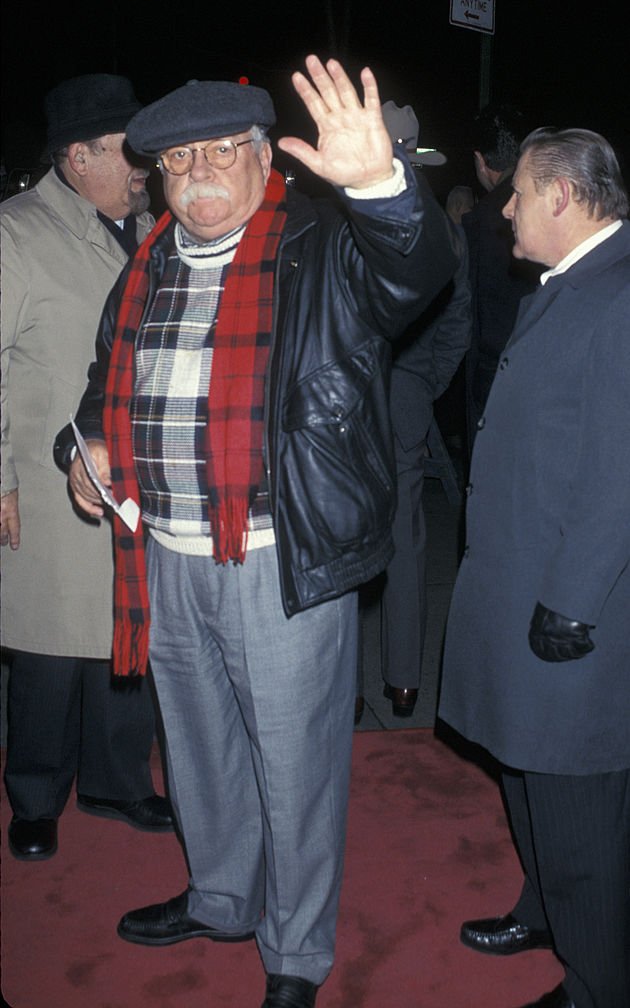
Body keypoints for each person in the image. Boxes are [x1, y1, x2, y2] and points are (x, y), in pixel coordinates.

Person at [55, 56, 457, 1007]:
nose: (195, 174)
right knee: (196, 748)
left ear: (260, 158)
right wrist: (87, 446)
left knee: (294, 761)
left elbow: (418, 271)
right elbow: (104, 379)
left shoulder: (321, 245)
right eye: (175, 158)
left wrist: (382, 188)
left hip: (279, 557)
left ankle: (296, 949)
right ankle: (224, 894)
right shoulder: (145, 262)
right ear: (154, 176)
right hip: (166, 550)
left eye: (218, 153)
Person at [438, 127, 630, 1008]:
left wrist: (572, 602)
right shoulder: (573, 282)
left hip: (571, 604)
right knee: (524, 772)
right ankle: (546, 913)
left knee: (578, 809)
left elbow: (618, 468)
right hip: (522, 583)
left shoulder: (621, 290)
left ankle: (598, 981)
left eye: (517, 192)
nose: (503, 207)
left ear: (561, 196)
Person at [1, 73, 173, 862]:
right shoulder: (18, 232)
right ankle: (35, 796)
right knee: (45, 650)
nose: (141, 168)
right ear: (76, 158)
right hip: (45, 481)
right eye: (124, 153)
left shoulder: (151, 228)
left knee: (123, 638)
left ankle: (118, 783)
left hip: (139, 482)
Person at [356, 100, 471, 720]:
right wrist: (422, 387)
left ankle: (344, 687)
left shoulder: (346, 218)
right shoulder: (441, 226)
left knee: (347, 538)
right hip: (401, 403)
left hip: (358, 405)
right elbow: (458, 326)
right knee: (402, 541)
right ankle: (403, 682)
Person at [461, 103, 539, 457]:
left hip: (492, 370)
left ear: (480, 160)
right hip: (536, 365)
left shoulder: (482, 220)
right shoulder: (543, 206)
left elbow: (467, 307)